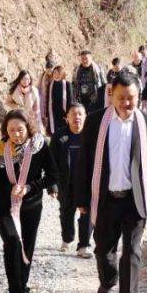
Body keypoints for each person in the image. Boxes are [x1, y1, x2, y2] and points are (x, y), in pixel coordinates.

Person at [74, 71, 147, 293]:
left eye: (131, 98)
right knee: (103, 250)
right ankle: (108, 281)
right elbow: (84, 161)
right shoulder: (95, 122)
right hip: (105, 198)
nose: (126, 103)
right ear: (111, 95)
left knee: (132, 251)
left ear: (138, 96)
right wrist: (81, 198)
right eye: (121, 97)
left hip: (135, 199)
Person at [0, 108, 58, 293]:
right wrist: (10, 188)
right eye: (11, 130)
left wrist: (30, 187)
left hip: (31, 205)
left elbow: (52, 175)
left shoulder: (39, 145)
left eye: (20, 130)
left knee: (27, 246)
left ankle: (22, 286)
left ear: (28, 128)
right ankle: (14, 292)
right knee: (12, 242)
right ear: (5, 130)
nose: (16, 134)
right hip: (4, 205)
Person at [52, 102, 92, 257]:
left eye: (80, 114)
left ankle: (84, 245)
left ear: (85, 117)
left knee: (86, 213)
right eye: (73, 114)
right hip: (65, 183)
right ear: (67, 118)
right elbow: (51, 162)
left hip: (86, 183)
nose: (77, 117)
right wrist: (52, 185)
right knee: (66, 212)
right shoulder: (59, 136)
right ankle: (67, 238)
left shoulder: (91, 135)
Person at [44, 63, 74, 136]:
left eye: (58, 73)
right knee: (54, 133)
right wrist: (47, 115)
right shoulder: (50, 85)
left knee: (65, 132)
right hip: (53, 113)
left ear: (62, 74)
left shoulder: (67, 84)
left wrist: (69, 113)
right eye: (55, 73)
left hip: (64, 113)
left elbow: (70, 100)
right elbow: (48, 100)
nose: (56, 75)